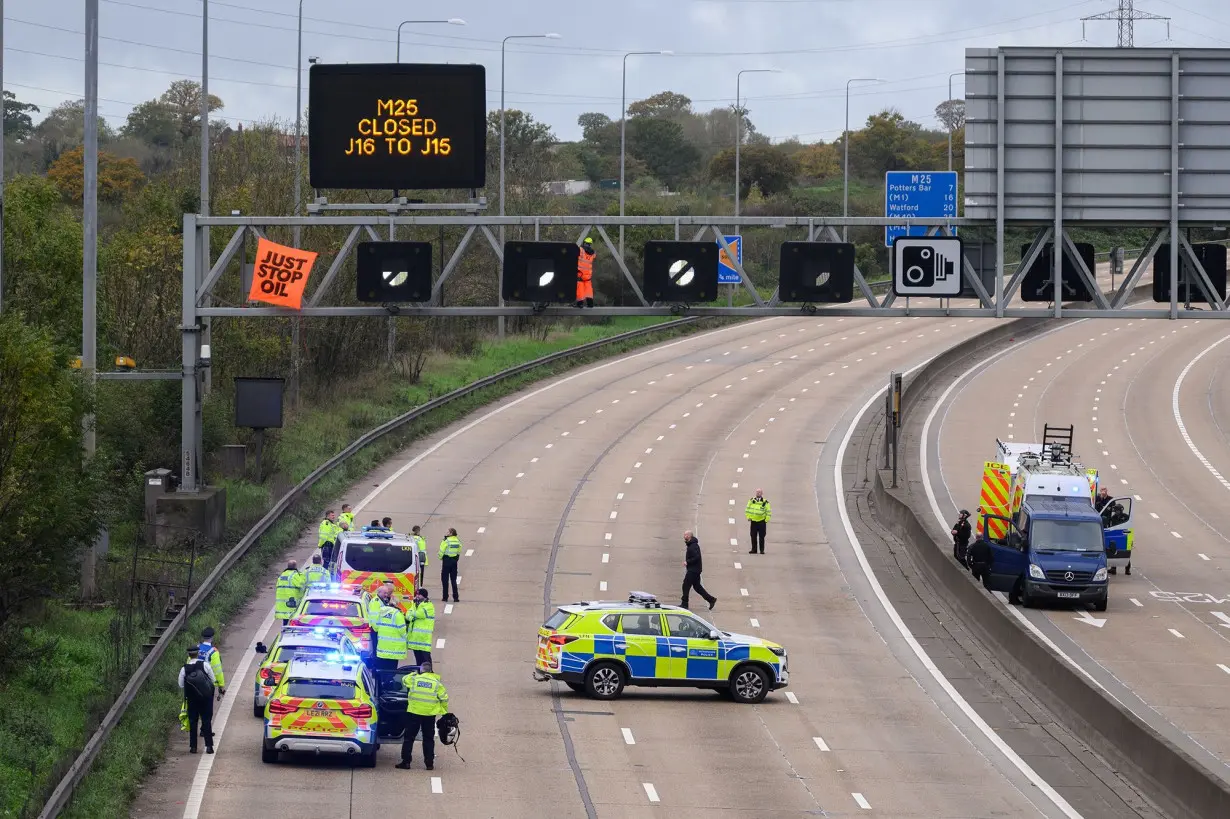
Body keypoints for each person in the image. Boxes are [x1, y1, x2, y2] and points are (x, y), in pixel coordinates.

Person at [395, 661, 449, 771]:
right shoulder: (436, 683)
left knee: (409, 738)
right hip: (429, 715)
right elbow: (444, 698)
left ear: (421, 670)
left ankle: (406, 762)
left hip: (414, 713)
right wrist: (443, 712)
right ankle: (429, 763)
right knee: (428, 739)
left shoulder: (414, 679)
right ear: (431, 671)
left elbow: (404, 679)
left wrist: (415, 673)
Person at [179, 647, 216, 754]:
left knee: (193, 722)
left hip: (192, 699)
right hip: (206, 698)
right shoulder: (205, 665)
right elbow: (213, 680)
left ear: (189, 655)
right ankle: (209, 747)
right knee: (206, 721)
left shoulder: (184, 669)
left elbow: (181, 685)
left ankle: (193, 747)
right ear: (198, 653)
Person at [371, 587, 409, 671]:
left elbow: (377, 623)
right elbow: (402, 630)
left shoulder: (382, 612)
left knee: (381, 671)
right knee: (391, 672)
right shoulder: (397, 614)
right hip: (393, 650)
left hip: (382, 648)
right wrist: (407, 637)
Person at [680, 530, 716, 610]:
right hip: (695, 569)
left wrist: (687, 562)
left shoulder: (694, 545)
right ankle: (711, 599)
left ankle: (684, 604)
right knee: (697, 587)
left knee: (685, 585)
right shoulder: (691, 544)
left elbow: (697, 557)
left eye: (685, 535)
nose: (684, 536)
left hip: (693, 570)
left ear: (689, 536)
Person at [407, 588, 436, 666]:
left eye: (419, 595)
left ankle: (429, 674)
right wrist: (411, 617)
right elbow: (408, 614)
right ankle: (420, 673)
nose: (417, 596)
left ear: (424, 596)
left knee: (426, 659)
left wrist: (412, 613)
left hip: (424, 638)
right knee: (418, 660)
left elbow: (420, 614)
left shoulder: (429, 605)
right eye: (416, 594)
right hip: (415, 638)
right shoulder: (415, 604)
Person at [198, 627, 227, 696]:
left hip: (192, 681)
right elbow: (217, 670)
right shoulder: (213, 652)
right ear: (212, 637)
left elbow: (189, 663)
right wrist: (221, 685)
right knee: (207, 705)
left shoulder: (196, 648)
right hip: (207, 683)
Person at [275, 560, 305, 626]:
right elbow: (302, 584)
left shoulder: (282, 575)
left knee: (285, 622)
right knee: (293, 621)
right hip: (292, 602)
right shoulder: (295, 575)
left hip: (282, 604)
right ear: (295, 566)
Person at [744, 489, 771, 554]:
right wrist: (748, 517)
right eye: (757, 492)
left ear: (762, 493)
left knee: (762, 536)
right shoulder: (751, 500)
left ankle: (762, 550)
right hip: (753, 521)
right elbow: (747, 509)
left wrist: (766, 520)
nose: (758, 493)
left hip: (762, 521)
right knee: (753, 535)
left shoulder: (765, 502)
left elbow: (768, 512)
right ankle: (754, 549)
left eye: (759, 492)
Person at [439, 528, 462, 603]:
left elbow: (441, 550)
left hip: (446, 561)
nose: (447, 532)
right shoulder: (457, 541)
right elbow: (459, 550)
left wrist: (440, 557)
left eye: (448, 532)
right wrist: (456, 558)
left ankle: (445, 597)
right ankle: (456, 597)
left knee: (445, 580)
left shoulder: (446, 541)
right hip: (454, 562)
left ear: (451, 533)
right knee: (453, 580)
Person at [576, 237, 595, 308]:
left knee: (580, 289)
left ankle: (580, 304)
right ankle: (590, 304)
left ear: (584, 243)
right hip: (588, 276)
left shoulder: (580, 250)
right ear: (590, 244)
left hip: (580, 275)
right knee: (588, 290)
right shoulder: (592, 253)